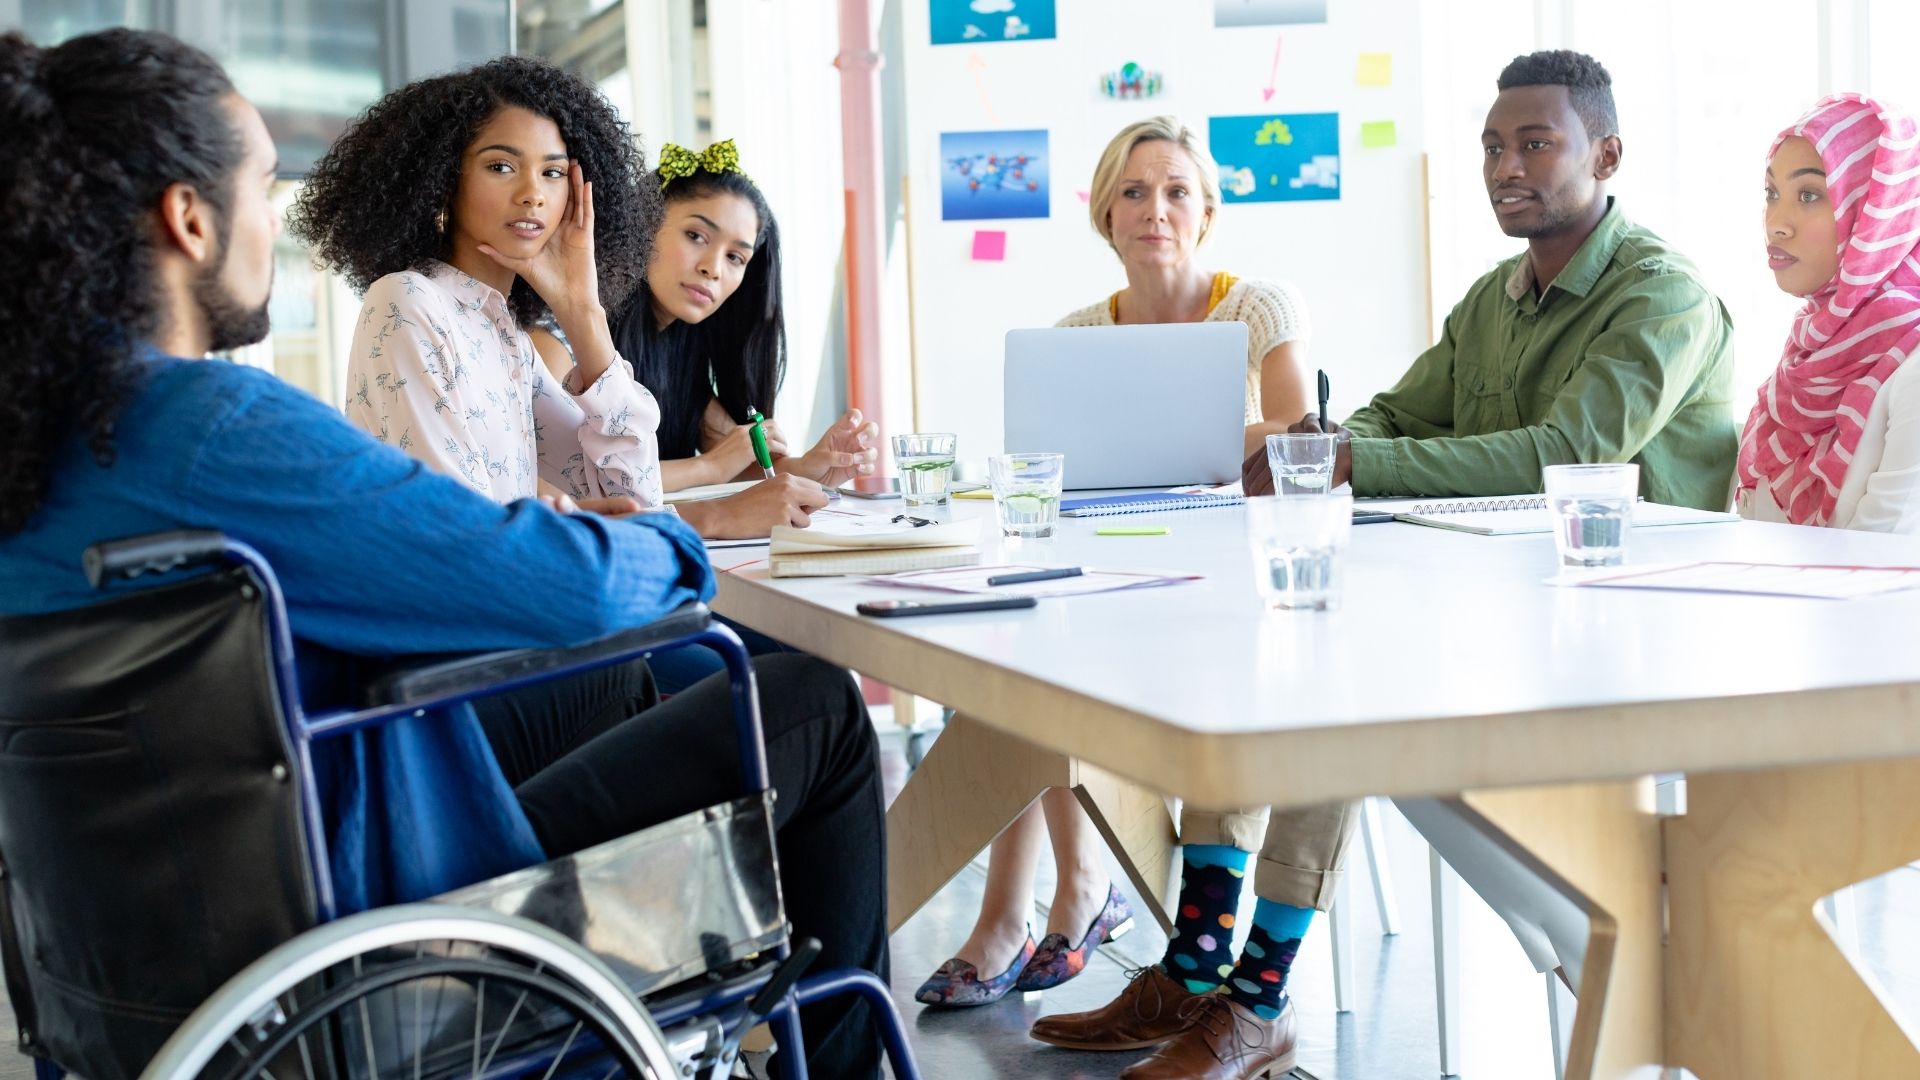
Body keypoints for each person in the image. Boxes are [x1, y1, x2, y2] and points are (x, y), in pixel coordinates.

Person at [0, 29, 886, 1077]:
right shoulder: (217, 430)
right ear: (189, 221)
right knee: (813, 701)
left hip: (153, 982)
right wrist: (670, 546)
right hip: (406, 924)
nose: (271, 220)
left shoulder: (35, 448)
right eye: (263, 185)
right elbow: (557, 586)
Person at [1250, 50, 1737, 513]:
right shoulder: (1489, 298)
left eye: (1536, 144)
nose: (1504, 169)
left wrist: (1360, 459)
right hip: (1505, 572)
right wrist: (1335, 440)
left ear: (1606, 157)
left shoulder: (1665, 296)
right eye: (1492, 148)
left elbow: (1564, 458)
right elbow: (1396, 416)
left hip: (1642, 581)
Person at [533, 140, 880, 541]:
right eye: (696, 235)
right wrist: (708, 468)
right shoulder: (557, 342)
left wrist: (811, 467)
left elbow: (742, 460)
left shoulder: (681, 353)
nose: (712, 268)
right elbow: (568, 490)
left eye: (736, 258)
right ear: (643, 225)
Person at [1055, 115, 1314, 458]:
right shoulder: (1073, 334)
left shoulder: (1262, 305)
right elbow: (1055, 453)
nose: (1155, 212)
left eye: (1177, 192)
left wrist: (1144, 450)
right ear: (1107, 214)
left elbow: (1296, 433)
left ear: (1206, 213)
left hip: (1238, 511)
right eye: (1133, 193)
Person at [1738, 94, 1920, 532]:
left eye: (1809, 195)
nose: (1777, 222)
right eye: (1772, 193)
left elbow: (1883, 557)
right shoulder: (1807, 354)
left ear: (1876, 210)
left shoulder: (1911, 364)